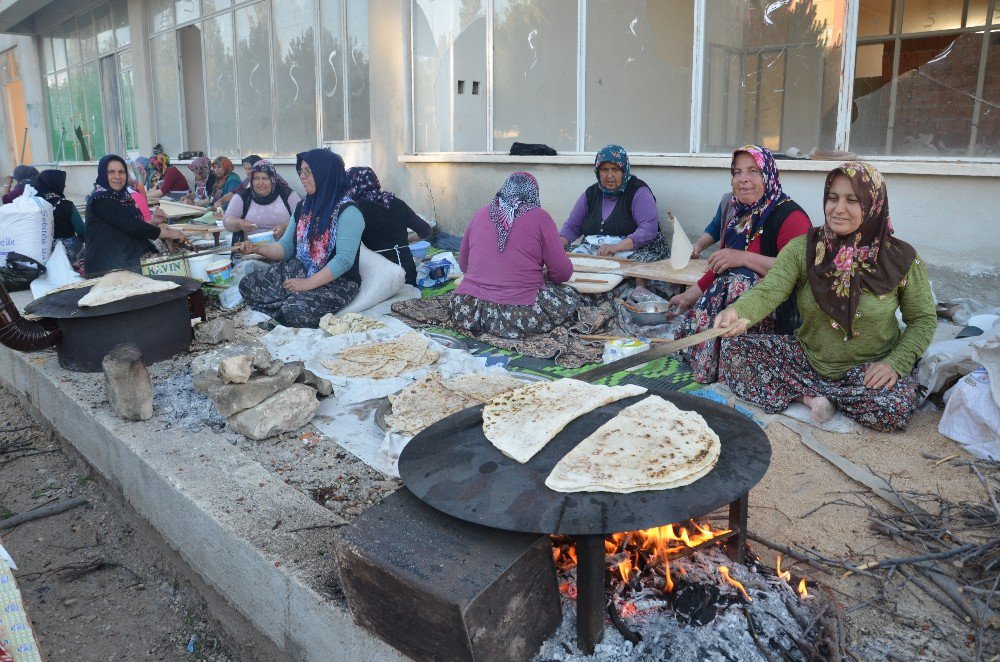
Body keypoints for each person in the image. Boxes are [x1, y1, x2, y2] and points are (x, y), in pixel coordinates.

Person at [714, 162, 936, 432]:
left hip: (867, 369)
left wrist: (895, 363)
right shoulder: (804, 248)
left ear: (873, 204)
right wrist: (737, 312)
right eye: (833, 198)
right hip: (808, 358)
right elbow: (769, 290)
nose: (838, 208)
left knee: (893, 407)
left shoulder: (901, 259)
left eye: (852, 200)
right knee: (736, 351)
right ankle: (811, 399)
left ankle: (824, 395)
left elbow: (923, 319)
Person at [667, 145, 811, 383]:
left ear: (768, 175)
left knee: (741, 278)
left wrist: (743, 258)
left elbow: (797, 272)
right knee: (732, 280)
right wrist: (689, 296)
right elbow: (721, 264)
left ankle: (737, 367)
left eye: (753, 171)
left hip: (776, 314)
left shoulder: (790, 216)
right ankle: (715, 363)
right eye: (737, 172)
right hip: (731, 315)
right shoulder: (739, 216)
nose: (743, 179)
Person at [235, 149, 362, 327]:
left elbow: (344, 261)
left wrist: (307, 284)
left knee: (295, 308)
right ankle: (283, 306)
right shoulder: (303, 206)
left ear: (325, 173)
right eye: (301, 171)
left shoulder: (348, 211)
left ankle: (283, 307)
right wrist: (256, 248)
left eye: (308, 171)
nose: (302, 176)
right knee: (248, 285)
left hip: (336, 280)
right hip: (301, 267)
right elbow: (285, 248)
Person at [446, 171, 580, 339]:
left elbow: (464, 265)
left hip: (467, 309)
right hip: (519, 314)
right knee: (572, 300)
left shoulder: (480, 213)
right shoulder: (540, 217)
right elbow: (563, 272)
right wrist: (545, 275)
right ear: (533, 193)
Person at [559, 144, 668, 262]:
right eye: (604, 169)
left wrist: (615, 248)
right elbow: (572, 227)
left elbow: (648, 229)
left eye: (615, 169)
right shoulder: (591, 194)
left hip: (635, 249)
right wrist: (556, 244)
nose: (610, 176)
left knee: (625, 273)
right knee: (560, 259)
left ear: (624, 171)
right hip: (599, 250)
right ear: (598, 171)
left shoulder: (638, 192)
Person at [83, 154, 186, 276]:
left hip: (123, 260)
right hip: (107, 267)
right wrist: (168, 233)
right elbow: (132, 226)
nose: (117, 176)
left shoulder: (122, 196)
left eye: (121, 172)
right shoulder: (101, 199)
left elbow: (126, 226)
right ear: (102, 174)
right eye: (111, 172)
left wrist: (153, 222)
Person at [347, 166, 431, 286]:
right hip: (407, 272)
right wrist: (403, 241)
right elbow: (426, 230)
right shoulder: (397, 203)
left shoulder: (356, 210)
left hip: (379, 275)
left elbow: (349, 249)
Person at [224, 159, 300, 242]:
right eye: (256, 178)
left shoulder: (287, 195)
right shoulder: (243, 197)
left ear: (273, 179)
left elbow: (302, 218)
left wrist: (285, 226)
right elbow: (227, 221)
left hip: (285, 250)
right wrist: (239, 223)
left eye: (265, 178)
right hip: (250, 251)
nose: (260, 183)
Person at [31, 169, 86, 263]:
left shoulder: (31, 204)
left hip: (41, 252)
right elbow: (82, 231)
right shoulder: (67, 205)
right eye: (62, 183)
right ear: (54, 184)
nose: (64, 186)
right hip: (68, 253)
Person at [689, 191, 734, 258]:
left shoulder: (755, 209)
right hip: (727, 261)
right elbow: (716, 228)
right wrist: (698, 246)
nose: (744, 180)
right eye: (737, 179)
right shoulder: (728, 200)